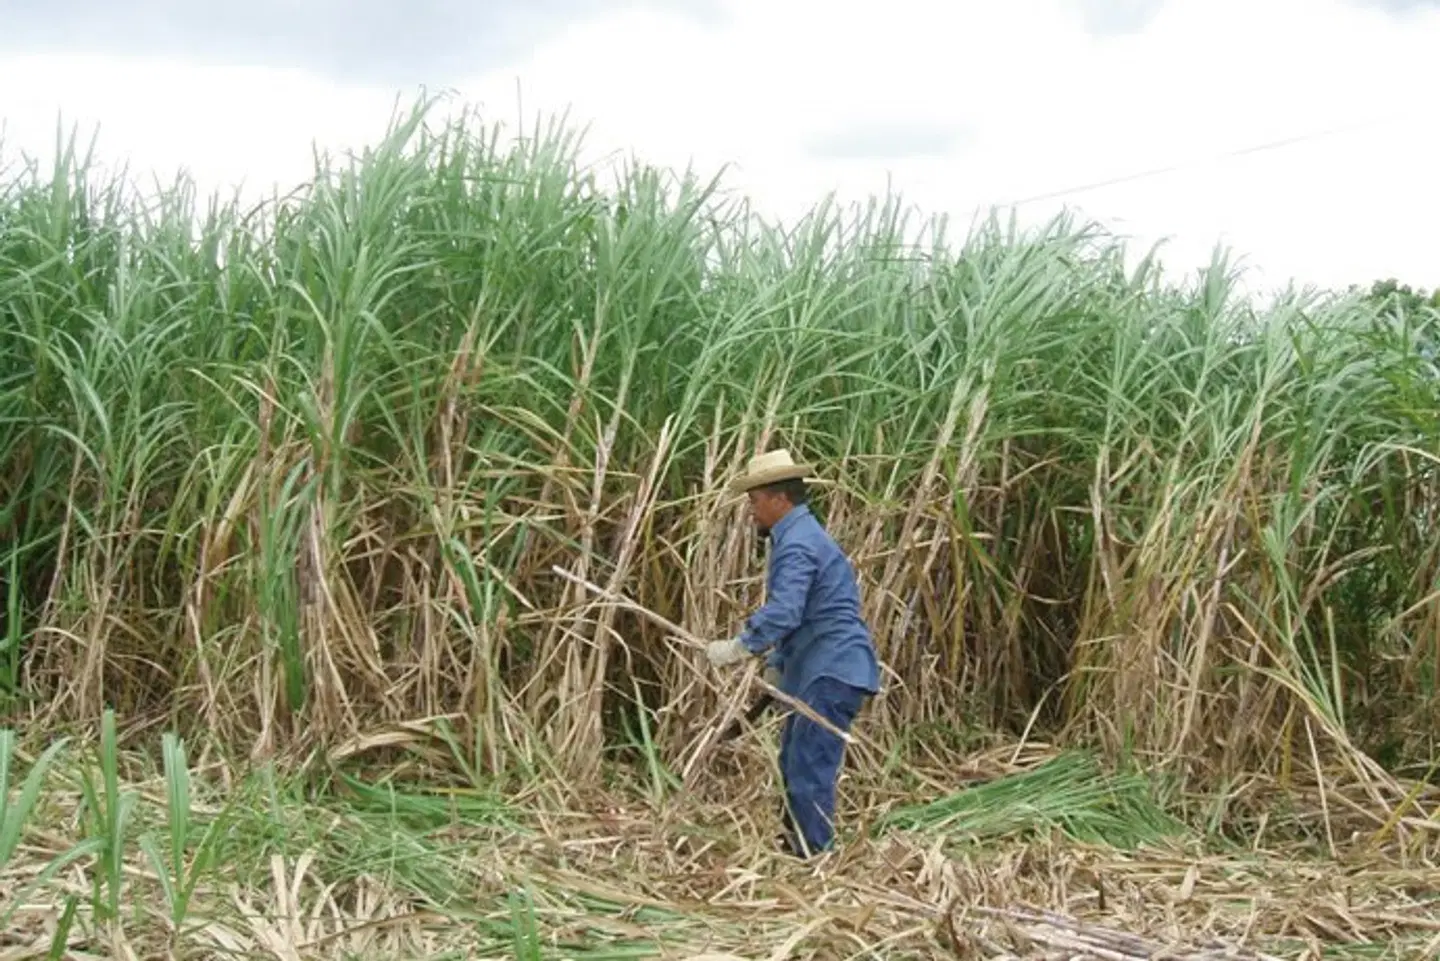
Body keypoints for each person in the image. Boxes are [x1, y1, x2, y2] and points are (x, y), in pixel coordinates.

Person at [706, 449, 881, 858]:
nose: (751, 511)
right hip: (823, 668)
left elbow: (786, 611)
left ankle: (814, 860)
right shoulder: (800, 537)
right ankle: (796, 850)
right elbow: (804, 615)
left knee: (807, 769)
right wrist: (778, 665)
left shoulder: (797, 544)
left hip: (830, 670)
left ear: (779, 500)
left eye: (755, 501)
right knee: (794, 762)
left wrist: (740, 646)